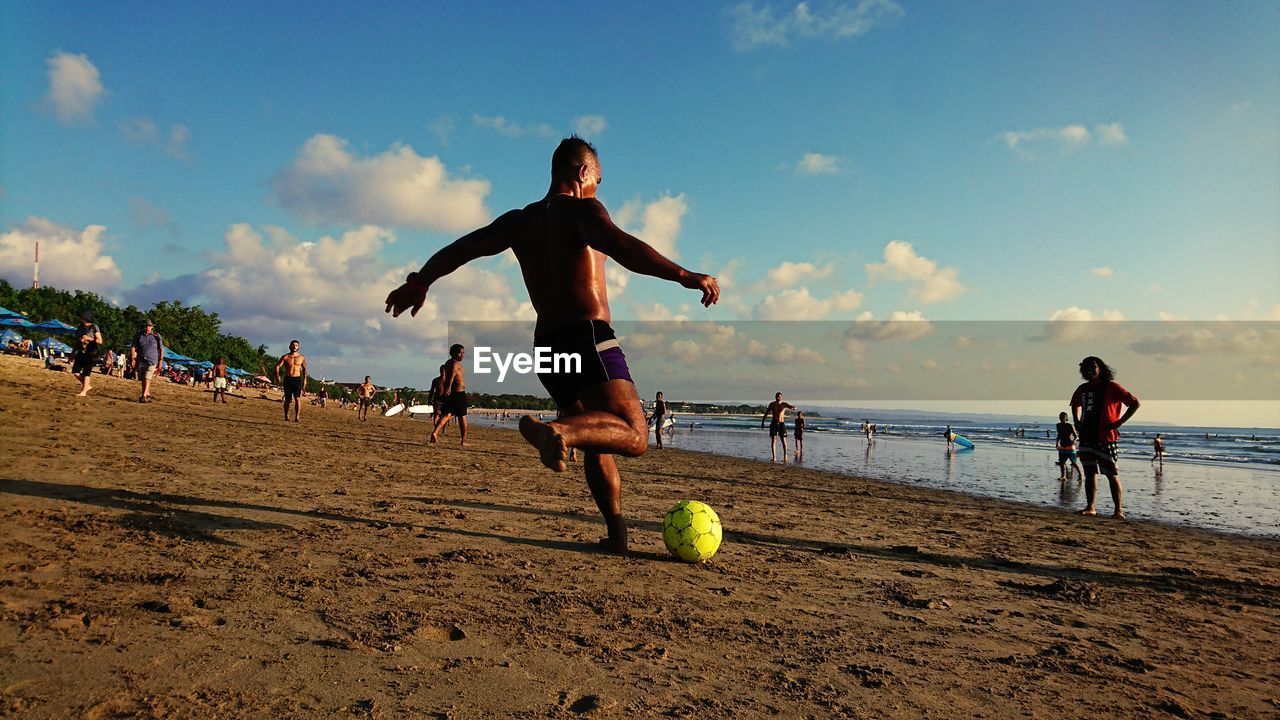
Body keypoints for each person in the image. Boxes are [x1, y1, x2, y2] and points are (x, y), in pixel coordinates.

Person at [384, 136, 719, 554]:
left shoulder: (518, 222)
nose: (599, 189)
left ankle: (616, 536)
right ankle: (554, 431)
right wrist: (685, 276)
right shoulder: (584, 210)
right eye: (598, 180)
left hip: (548, 346)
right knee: (635, 436)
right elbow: (621, 245)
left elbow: (463, 248)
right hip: (588, 338)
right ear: (583, 174)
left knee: (597, 435)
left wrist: (420, 281)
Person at [1071, 356, 1140, 519]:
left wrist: (1119, 422)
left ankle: (1118, 511)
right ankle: (1091, 507)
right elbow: (1075, 404)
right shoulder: (1082, 388)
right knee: (1089, 473)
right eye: (1086, 367)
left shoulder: (1112, 387)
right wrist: (1076, 422)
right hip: (1087, 436)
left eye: (1093, 366)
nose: (1089, 369)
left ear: (1100, 368)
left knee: (1111, 473)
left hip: (1106, 438)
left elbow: (1134, 403)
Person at [430, 344, 469, 446]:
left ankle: (435, 432)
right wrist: (448, 387)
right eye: (460, 353)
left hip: (452, 393)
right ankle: (464, 440)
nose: (462, 355)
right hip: (458, 393)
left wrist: (448, 389)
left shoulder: (448, 363)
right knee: (462, 417)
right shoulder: (455, 364)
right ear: (453, 353)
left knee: (447, 415)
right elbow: (451, 376)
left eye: (463, 353)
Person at [128, 318, 164, 403]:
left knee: (147, 377)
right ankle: (147, 393)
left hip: (152, 360)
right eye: (146, 326)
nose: (147, 327)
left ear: (152, 327)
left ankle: (143, 396)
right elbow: (133, 346)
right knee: (142, 378)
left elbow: (161, 349)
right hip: (140, 360)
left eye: (149, 326)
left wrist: (161, 360)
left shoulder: (156, 336)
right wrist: (133, 357)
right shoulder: (138, 335)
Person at [275, 340, 307, 422]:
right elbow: (278, 366)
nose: (294, 346)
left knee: (297, 398)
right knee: (287, 399)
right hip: (288, 379)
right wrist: (277, 376)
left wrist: (305, 380)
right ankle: (286, 416)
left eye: (296, 345)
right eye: (293, 345)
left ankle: (297, 417)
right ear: (290, 346)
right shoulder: (285, 357)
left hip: (297, 379)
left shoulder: (301, 357)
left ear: (298, 347)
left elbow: (304, 369)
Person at [72, 310, 103, 397]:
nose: (80, 318)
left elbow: (100, 341)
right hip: (81, 352)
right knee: (75, 372)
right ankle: (87, 386)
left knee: (86, 373)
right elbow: (77, 342)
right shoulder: (79, 327)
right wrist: (72, 353)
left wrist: (88, 338)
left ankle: (84, 391)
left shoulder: (94, 327)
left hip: (91, 353)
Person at [760, 392, 796, 462]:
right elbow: (766, 413)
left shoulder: (784, 404)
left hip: (781, 423)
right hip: (774, 423)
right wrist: (762, 422)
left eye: (779, 396)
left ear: (781, 397)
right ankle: (774, 457)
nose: (778, 398)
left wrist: (793, 407)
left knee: (783, 440)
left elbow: (790, 406)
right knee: (773, 440)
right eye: (777, 396)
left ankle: (785, 455)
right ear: (775, 397)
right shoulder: (772, 404)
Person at [1055, 411, 1083, 481]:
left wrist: (1074, 440)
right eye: (1060, 417)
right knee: (1062, 462)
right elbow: (1059, 435)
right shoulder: (1058, 425)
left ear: (1066, 418)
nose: (1061, 418)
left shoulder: (1069, 425)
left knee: (1073, 462)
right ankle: (1063, 476)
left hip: (1070, 446)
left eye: (1063, 417)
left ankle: (1080, 475)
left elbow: (1076, 435)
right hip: (1062, 446)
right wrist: (1057, 443)